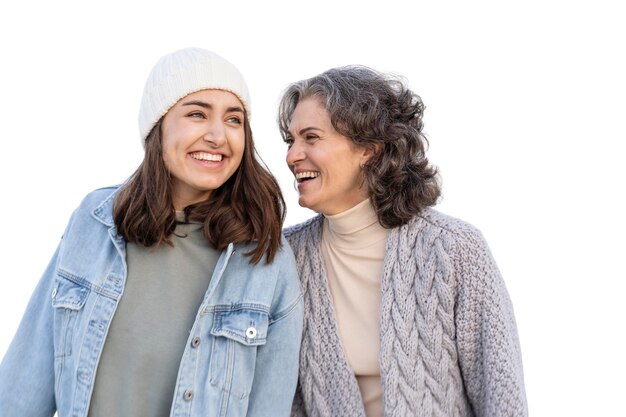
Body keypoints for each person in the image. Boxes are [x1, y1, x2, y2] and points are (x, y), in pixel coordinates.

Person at [0, 47, 303, 417]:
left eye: (234, 120)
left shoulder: (266, 258)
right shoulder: (94, 222)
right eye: (197, 114)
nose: (218, 136)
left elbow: (270, 406)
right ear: (157, 127)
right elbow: (23, 383)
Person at [278, 65, 527, 417]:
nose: (292, 156)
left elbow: (502, 395)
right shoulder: (285, 259)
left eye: (311, 138)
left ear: (369, 148)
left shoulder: (454, 249)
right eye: (291, 141)